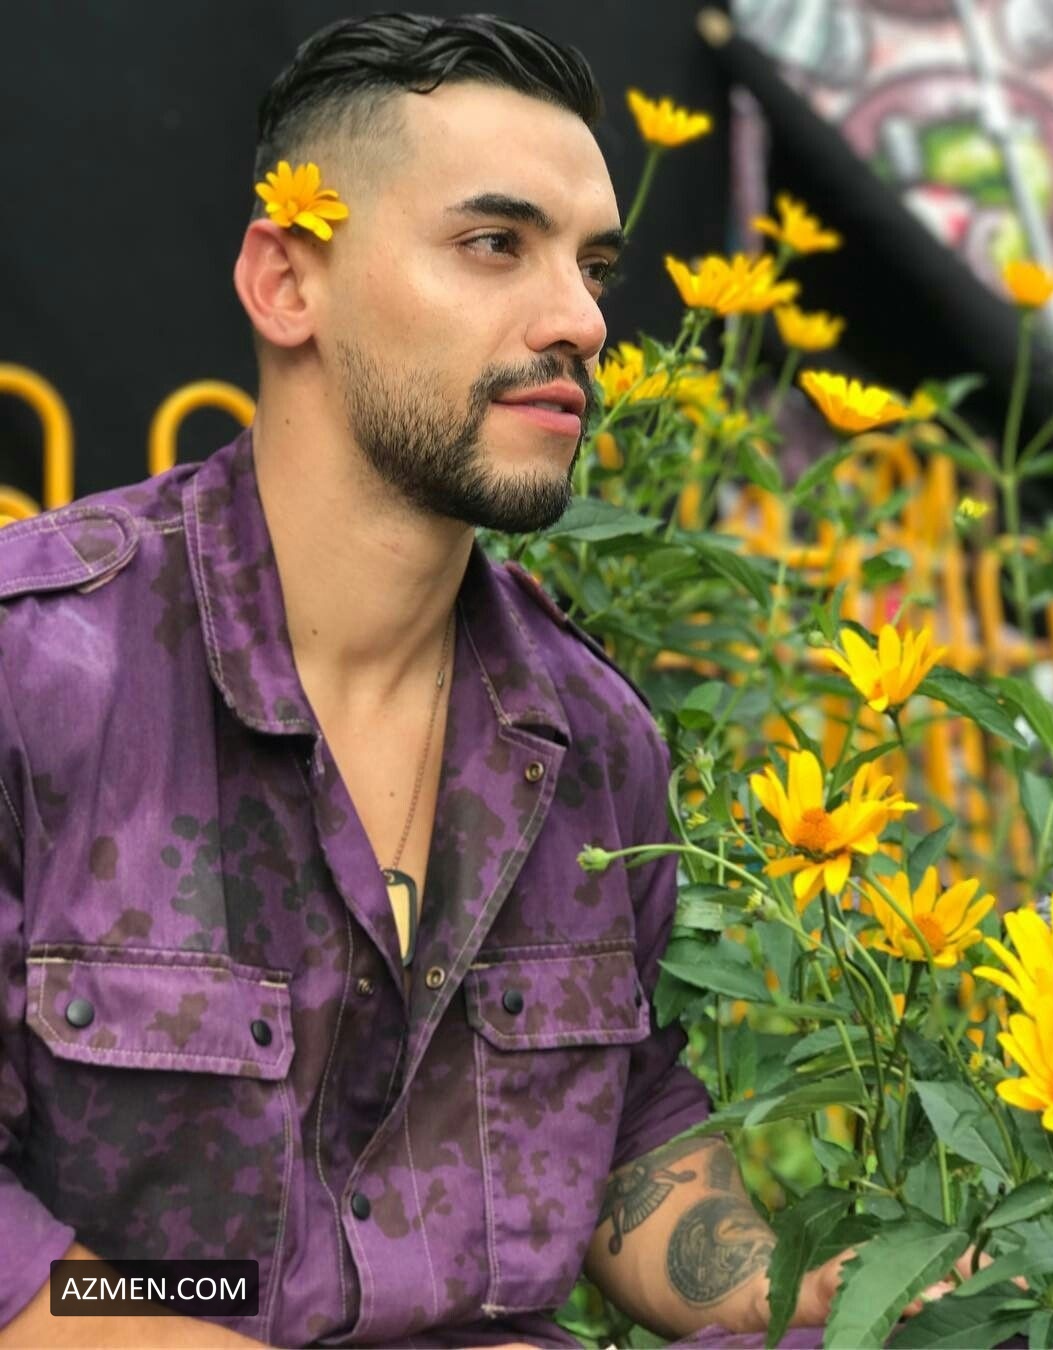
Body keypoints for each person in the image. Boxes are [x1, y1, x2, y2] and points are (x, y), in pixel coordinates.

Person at [0, 13, 978, 1349]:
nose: (582, 319)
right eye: (494, 244)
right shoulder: (44, 672)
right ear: (288, 282)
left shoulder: (591, 737)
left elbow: (631, 1142)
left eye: (594, 266)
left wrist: (805, 1285)